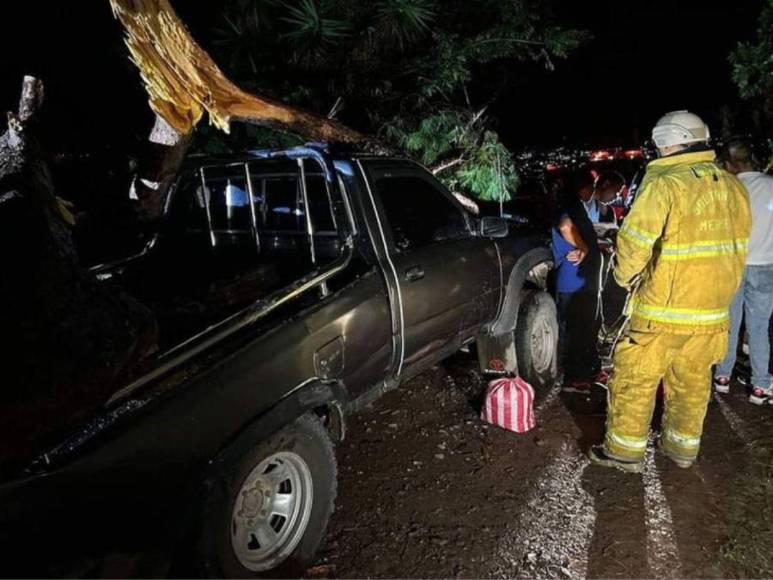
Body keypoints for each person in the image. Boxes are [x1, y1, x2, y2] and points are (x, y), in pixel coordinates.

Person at [589, 111, 751, 472]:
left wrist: (623, 277)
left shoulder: (664, 185)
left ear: (667, 141)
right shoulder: (733, 186)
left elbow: (633, 243)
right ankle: (681, 448)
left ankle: (624, 451)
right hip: (713, 311)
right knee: (692, 382)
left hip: (663, 309)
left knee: (635, 376)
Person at [713, 140, 773, 404]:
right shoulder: (771, 186)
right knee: (759, 327)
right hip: (765, 265)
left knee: (729, 323)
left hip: (731, 265)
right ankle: (760, 386)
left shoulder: (726, 188)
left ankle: (722, 376)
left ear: (729, 164)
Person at [551, 171, 606, 393]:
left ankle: (589, 370)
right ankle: (574, 377)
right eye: (591, 186)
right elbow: (566, 227)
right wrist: (583, 247)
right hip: (574, 282)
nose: (593, 190)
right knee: (577, 330)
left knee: (587, 327)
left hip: (581, 281)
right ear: (581, 188)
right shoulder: (570, 207)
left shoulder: (572, 205)